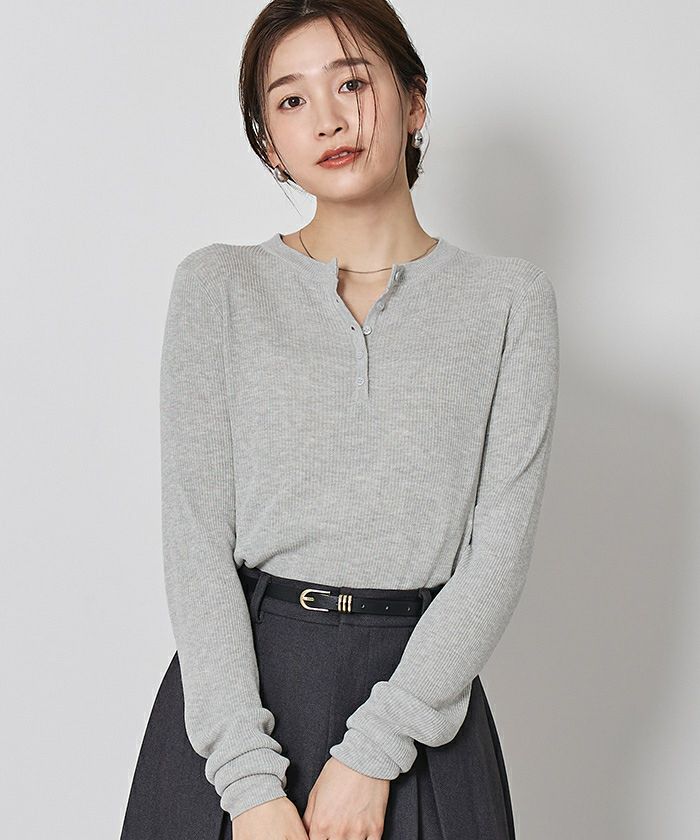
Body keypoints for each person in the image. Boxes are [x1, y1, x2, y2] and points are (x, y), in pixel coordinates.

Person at [120, 2, 560, 839]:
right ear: (269, 140)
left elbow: (497, 558)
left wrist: (374, 754)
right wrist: (248, 786)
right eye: (291, 100)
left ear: (414, 101)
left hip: (422, 710)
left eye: (351, 83)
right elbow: (195, 541)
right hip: (240, 712)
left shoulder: (509, 303)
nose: (326, 118)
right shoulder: (219, 288)